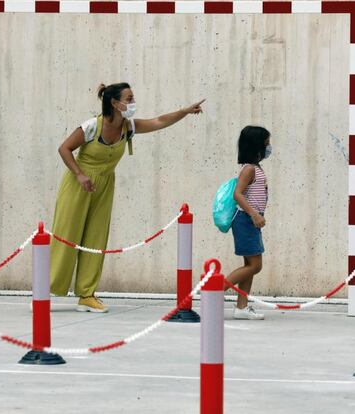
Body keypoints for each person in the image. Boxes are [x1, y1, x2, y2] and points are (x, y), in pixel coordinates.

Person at [50, 82, 205, 312]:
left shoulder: (128, 127)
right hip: (78, 183)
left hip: (104, 185)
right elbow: (64, 148)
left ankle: (86, 294)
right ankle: (46, 290)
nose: (133, 103)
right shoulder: (92, 126)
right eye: (129, 99)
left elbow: (159, 121)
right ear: (114, 103)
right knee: (67, 235)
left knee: (96, 239)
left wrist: (183, 111)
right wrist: (80, 175)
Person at [225, 126, 271, 320]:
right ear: (257, 146)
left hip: (250, 220)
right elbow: (237, 194)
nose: (269, 147)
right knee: (255, 265)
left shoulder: (256, 168)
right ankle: (214, 290)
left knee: (249, 266)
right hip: (246, 220)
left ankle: (241, 307)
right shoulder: (249, 169)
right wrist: (254, 214)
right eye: (267, 143)